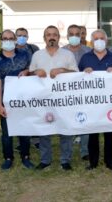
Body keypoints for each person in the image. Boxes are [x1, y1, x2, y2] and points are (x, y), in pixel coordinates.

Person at [29, 25, 79, 170]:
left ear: (59, 37)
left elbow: (76, 74)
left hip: (63, 99)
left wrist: (63, 70)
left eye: (55, 35)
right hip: (43, 99)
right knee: (44, 130)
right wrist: (35, 73)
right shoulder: (37, 55)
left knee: (66, 130)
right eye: (49, 35)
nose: (52, 37)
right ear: (44, 38)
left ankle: (65, 160)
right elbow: (30, 75)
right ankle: (45, 160)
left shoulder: (67, 55)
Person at [78, 29, 112, 171]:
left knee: (110, 133)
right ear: (92, 41)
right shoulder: (85, 58)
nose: (99, 41)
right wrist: (85, 73)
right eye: (96, 38)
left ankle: (111, 162)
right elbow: (76, 79)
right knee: (93, 133)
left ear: (107, 40)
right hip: (91, 102)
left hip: (109, 101)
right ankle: (93, 162)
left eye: (101, 38)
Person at [0, 30, 34, 170]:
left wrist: (27, 71)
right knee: (6, 131)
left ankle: (26, 156)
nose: (8, 40)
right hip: (6, 101)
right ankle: (8, 157)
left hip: (24, 99)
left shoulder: (25, 55)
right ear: (1, 41)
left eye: (11, 38)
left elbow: (33, 70)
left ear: (15, 40)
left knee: (24, 128)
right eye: (5, 38)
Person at [62, 24, 92, 160]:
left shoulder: (89, 51)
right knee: (67, 122)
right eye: (71, 34)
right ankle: (66, 153)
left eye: (77, 34)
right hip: (66, 93)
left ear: (81, 36)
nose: (74, 36)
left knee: (84, 120)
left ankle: (84, 151)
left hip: (84, 92)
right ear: (67, 36)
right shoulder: (61, 52)